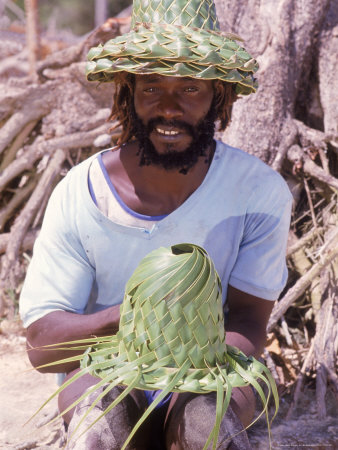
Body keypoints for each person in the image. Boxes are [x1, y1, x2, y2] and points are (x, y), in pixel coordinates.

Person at [20, 0, 292, 448]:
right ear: (126, 94)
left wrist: (187, 370)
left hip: (210, 364)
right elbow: (43, 347)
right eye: (151, 88)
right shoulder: (80, 194)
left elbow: (247, 320)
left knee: (207, 424)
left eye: (190, 89)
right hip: (106, 366)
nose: (169, 108)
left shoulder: (257, 193)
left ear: (218, 96)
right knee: (101, 427)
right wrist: (137, 320)